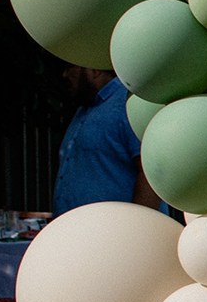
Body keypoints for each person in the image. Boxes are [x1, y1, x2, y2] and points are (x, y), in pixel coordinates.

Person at [51, 66, 152, 214]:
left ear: (94, 70)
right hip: (82, 229)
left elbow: (150, 172)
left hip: (116, 231)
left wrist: (138, 226)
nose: (65, 74)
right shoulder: (87, 108)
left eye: (71, 67)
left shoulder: (125, 104)